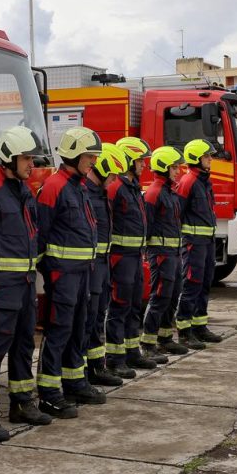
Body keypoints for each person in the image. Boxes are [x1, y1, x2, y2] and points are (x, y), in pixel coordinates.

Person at [0, 126, 54, 441]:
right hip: (0, 285)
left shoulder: (24, 191)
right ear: (8, 159)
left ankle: (21, 403)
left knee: (23, 344)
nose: (32, 164)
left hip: (25, 282)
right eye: (26, 158)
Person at [36, 126, 107, 418]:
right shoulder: (54, 187)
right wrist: (50, 272)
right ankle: (50, 394)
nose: (93, 161)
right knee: (59, 331)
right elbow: (40, 234)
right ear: (74, 154)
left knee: (80, 328)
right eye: (89, 156)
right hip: (62, 275)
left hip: (81, 273)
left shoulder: (78, 185)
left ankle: (74, 381)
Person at [108, 136, 158, 373]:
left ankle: (131, 353)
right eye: (140, 160)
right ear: (128, 160)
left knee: (134, 305)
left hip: (135, 256)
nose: (143, 165)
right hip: (120, 257)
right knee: (119, 307)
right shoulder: (116, 187)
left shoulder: (132, 186)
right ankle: (115, 360)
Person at [83, 144, 127, 388]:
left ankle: (96, 367)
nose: (112, 182)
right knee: (89, 320)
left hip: (102, 265)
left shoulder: (99, 194)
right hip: (90, 268)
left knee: (98, 317)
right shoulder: (87, 194)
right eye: (111, 176)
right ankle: (88, 371)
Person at [175, 139, 224, 348]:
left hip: (206, 242)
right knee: (191, 285)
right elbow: (178, 212)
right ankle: (184, 331)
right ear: (196, 158)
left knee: (205, 283)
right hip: (193, 243)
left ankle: (200, 326)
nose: (210, 159)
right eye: (206, 156)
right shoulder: (188, 182)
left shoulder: (204, 181)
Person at [142, 146, 189, 357]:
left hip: (174, 253)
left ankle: (165, 338)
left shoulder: (171, 191)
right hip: (161, 254)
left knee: (172, 296)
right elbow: (147, 226)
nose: (178, 171)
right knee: (160, 296)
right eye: (174, 167)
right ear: (163, 167)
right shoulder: (154, 193)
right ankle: (148, 343)